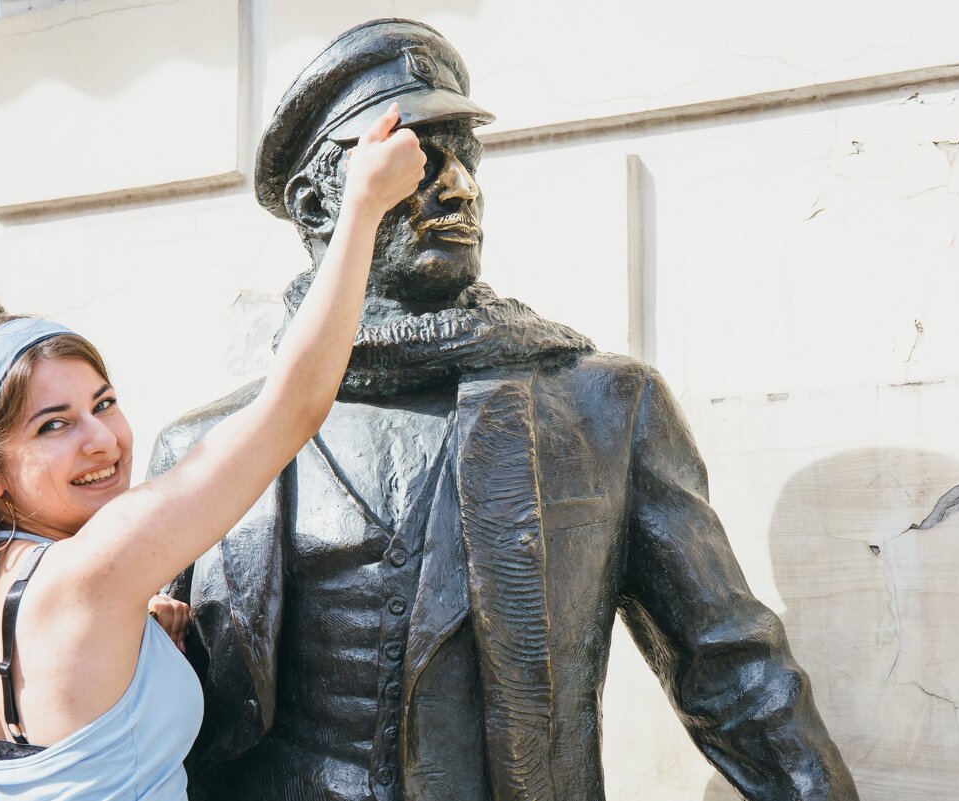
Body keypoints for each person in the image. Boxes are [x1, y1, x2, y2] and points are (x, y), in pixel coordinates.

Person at [149, 18, 860, 801]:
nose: (460, 186)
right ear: (319, 203)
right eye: (418, 160)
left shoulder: (603, 409)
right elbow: (136, 720)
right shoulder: (199, 449)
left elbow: (732, 672)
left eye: (467, 156)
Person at [0, 104, 425, 801]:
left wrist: (142, 650)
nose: (101, 439)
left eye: (103, 403)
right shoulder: (90, 570)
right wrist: (363, 206)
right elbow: (292, 409)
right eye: (53, 426)